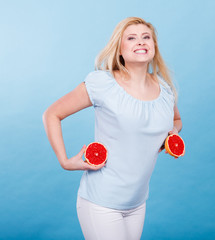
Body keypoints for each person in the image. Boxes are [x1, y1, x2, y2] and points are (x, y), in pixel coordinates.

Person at [42, 17, 182, 240]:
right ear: (119, 49)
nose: (141, 42)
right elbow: (52, 114)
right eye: (131, 38)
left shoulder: (164, 89)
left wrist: (172, 135)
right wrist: (65, 161)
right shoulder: (102, 84)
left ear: (154, 46)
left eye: (146, 37)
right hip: (101, 202)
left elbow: (176, 121)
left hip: (138, 203)